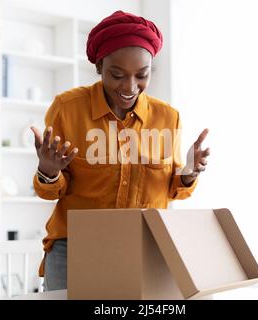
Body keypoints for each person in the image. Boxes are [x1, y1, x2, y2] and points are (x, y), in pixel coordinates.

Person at [30, 10, 210, 291]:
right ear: (99, 66)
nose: (129, 87)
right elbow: (50, 191)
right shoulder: (67, 109)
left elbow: (173, 189)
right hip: (75, 247)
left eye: (142, 75)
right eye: (117, 75)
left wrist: (188, 172)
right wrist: (49, 171)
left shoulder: (167, 118)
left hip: (144, 248)